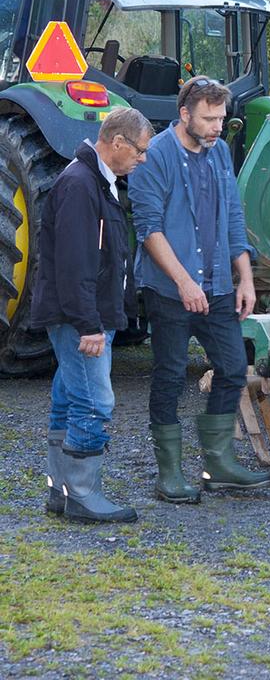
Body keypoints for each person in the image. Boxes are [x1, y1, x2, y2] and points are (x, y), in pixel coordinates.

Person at [128, 76, 270, 501]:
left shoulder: (220, 152)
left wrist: (245, 277)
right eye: (208, 119)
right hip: (170, 290)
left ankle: (218, 463)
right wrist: (184, 281)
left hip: (219, 286)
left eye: (221, 119)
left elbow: (231, 215)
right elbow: (148, 229)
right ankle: (168, 473)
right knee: (170, 375)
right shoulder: (153, 156)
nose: (216, 127)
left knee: (231, 368)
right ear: (184, 114)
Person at [30, 106, 154, 524]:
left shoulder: (97, 183)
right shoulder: (81, 186)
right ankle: (83, 493)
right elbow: (75, 264)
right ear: (117, 142)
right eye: (139, 150)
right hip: (80, 319)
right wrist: (89, 324)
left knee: (68, 398)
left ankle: (61, 491)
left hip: (86, 315)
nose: (142, 159)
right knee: (94, 401)